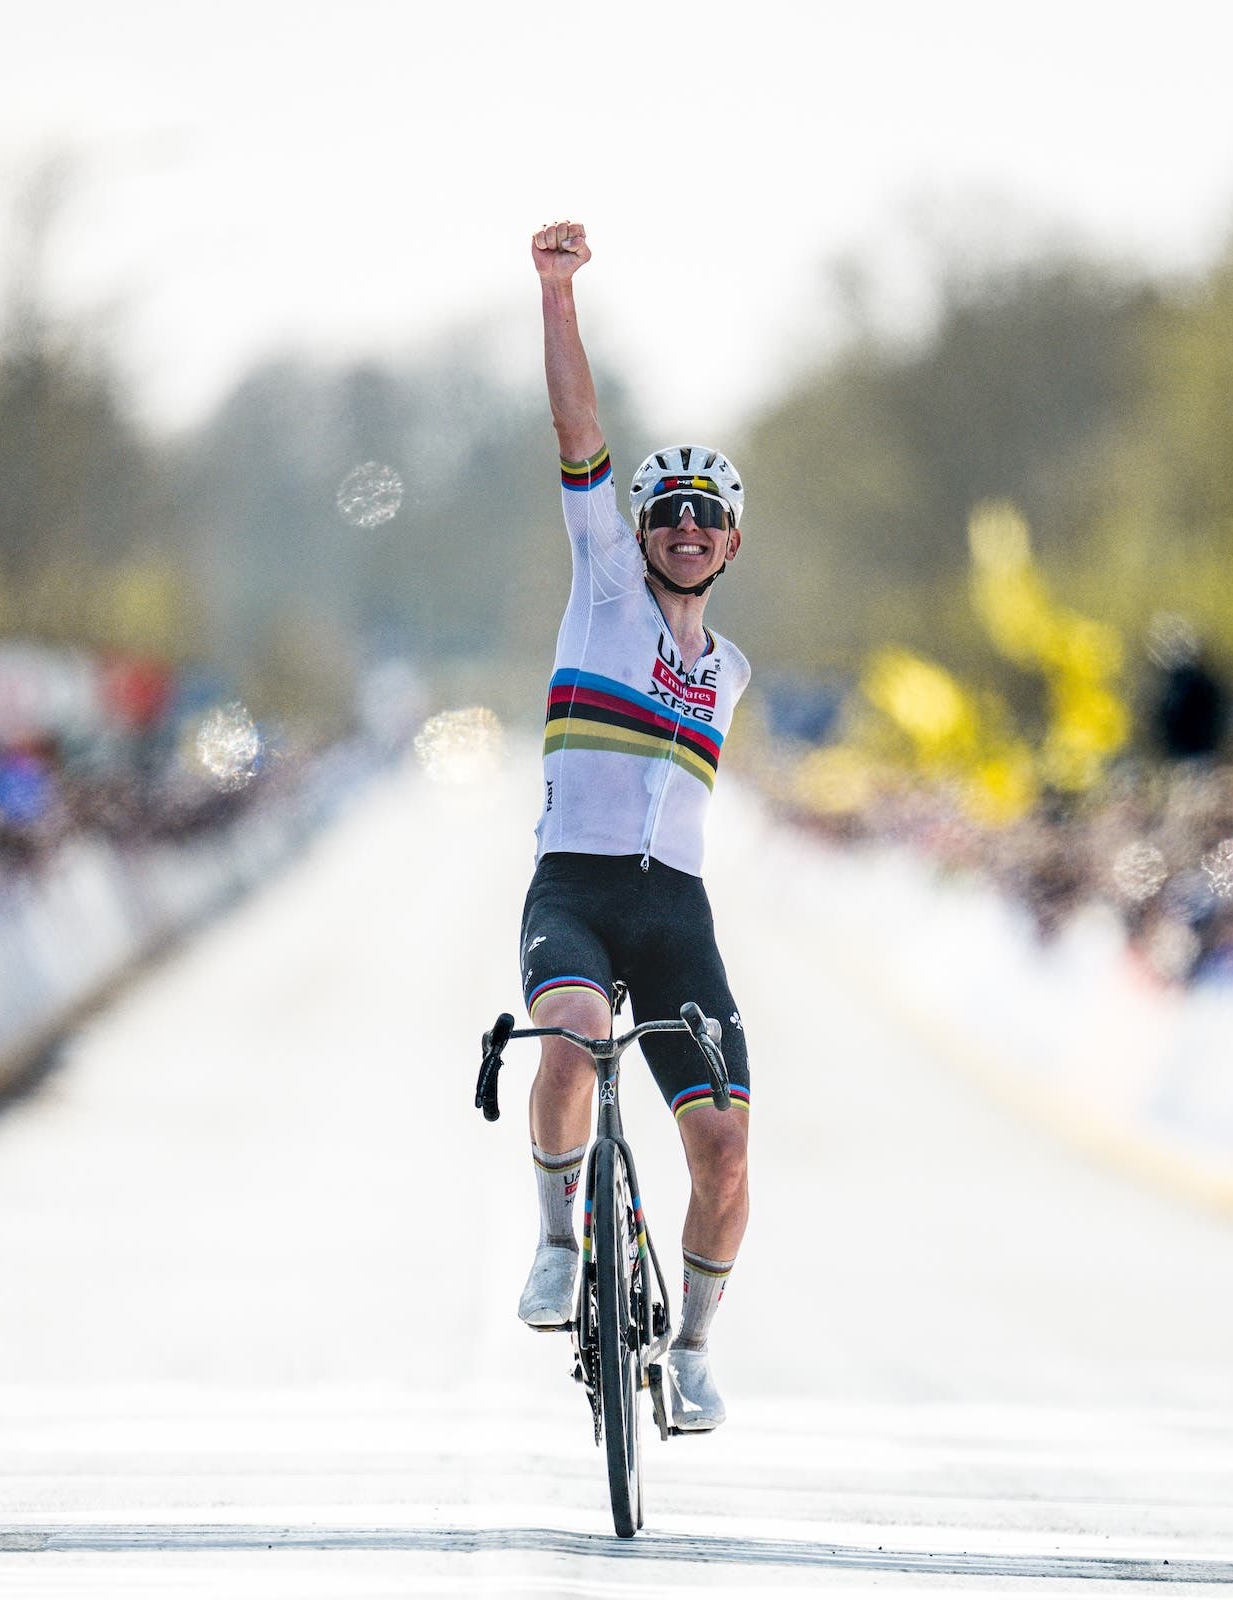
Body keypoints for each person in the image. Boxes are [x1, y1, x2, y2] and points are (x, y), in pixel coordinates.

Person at [514, 219, 754, 1433]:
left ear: (731, 542)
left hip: (678, 915)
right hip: (577, 887)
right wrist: (559, 295)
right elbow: (579, 437)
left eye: (708, 517)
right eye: (670, 512)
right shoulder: (604, 580)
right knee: (566, 1042)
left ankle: (696, 1349)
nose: (687, 528)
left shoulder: (734, 671)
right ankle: (558, 1237)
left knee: (723, 1150)